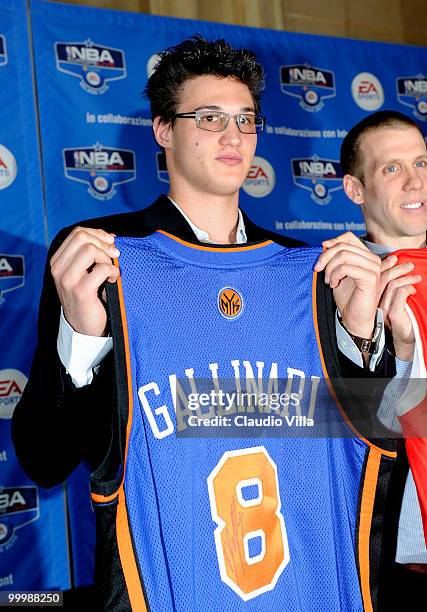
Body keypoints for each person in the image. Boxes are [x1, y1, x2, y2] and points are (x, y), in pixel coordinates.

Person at [12, 36, 391, 607]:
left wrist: (362, 341)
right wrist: (84, 339)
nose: (234, 135)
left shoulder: (312, 277)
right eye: (208, 117)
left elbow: (380, 447)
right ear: (164, 130)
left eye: (245, 118)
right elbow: (44, 458)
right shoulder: (103, 262)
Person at [326, 109, 427, 609]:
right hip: (394, 554)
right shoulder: (331, 285)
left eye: (422, 163)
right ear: (355, 190)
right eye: (392, 168)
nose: (416, 181)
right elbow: (339, 426)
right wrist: (401, 353)